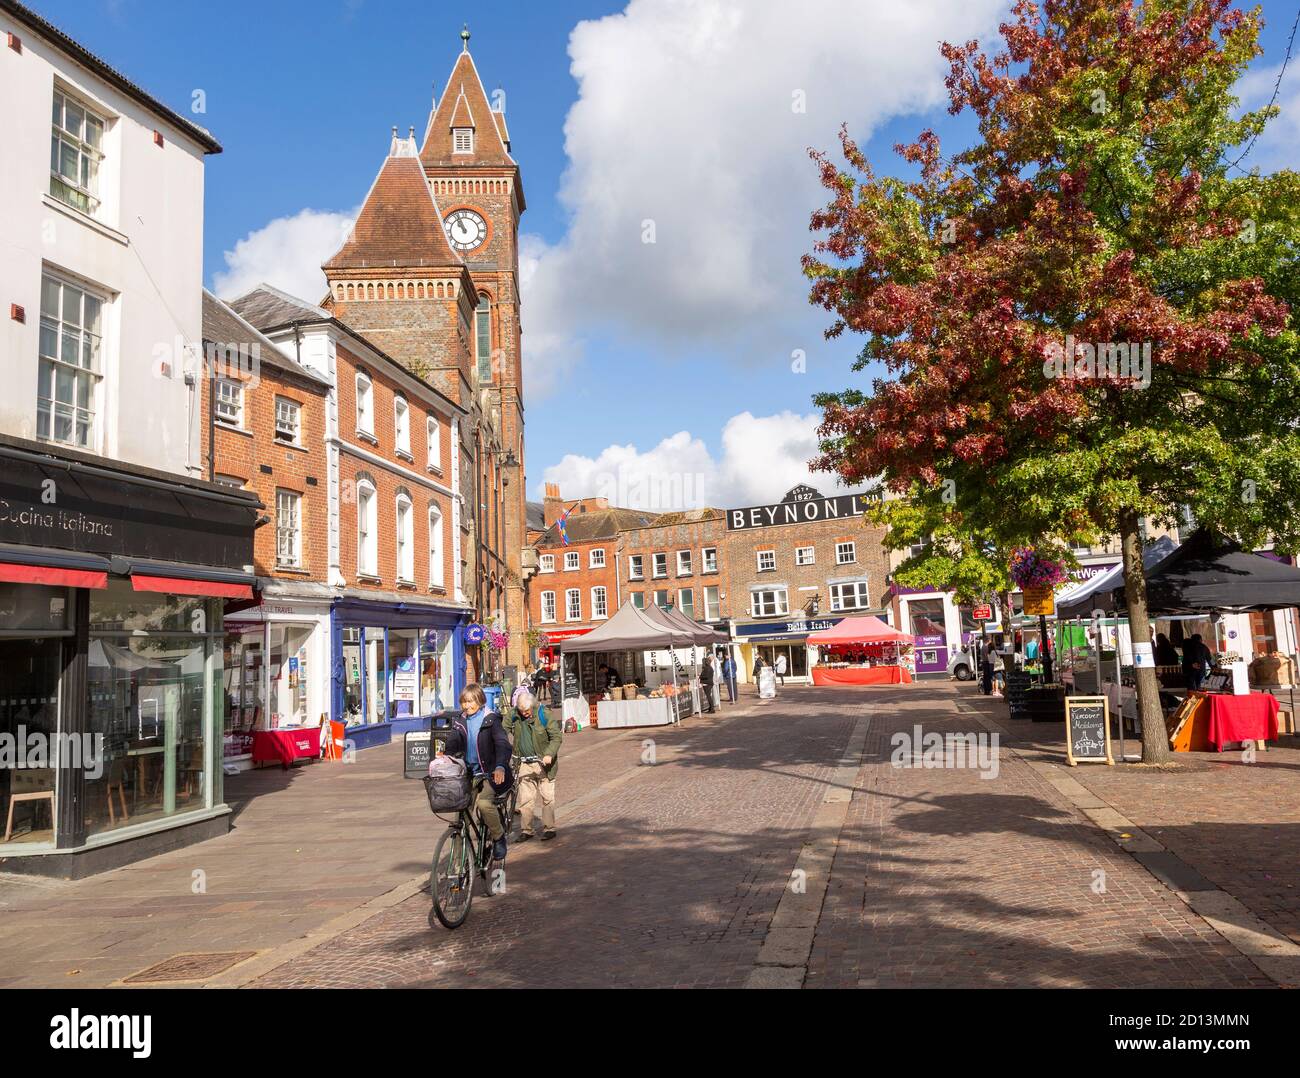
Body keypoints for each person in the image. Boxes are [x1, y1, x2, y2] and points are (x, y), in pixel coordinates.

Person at [442, 683, 513, 862]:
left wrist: (500, 766)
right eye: (464, 702)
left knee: (484, 804)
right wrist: (445, 757)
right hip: (469, 774)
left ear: (480, 701)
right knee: (461, 815)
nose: (467, 706)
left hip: (490, 773)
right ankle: (458, 867)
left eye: (470, 701)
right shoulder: (460, 722)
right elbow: (453, 741)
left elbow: (502, 744)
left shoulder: (491, 720)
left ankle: (498, 837)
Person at [504, 690, 561, 842]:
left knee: (547, 797)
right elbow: (503, 729)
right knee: (526, 798)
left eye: (527, 711)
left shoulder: (544, 714)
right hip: (524, 763)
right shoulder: (515, 714)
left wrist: (549, 754)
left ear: (532, 706)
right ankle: (527, 830)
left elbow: (556, 737)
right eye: (522, 711)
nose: (525, 714)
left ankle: (549, 828)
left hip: (543, 764)